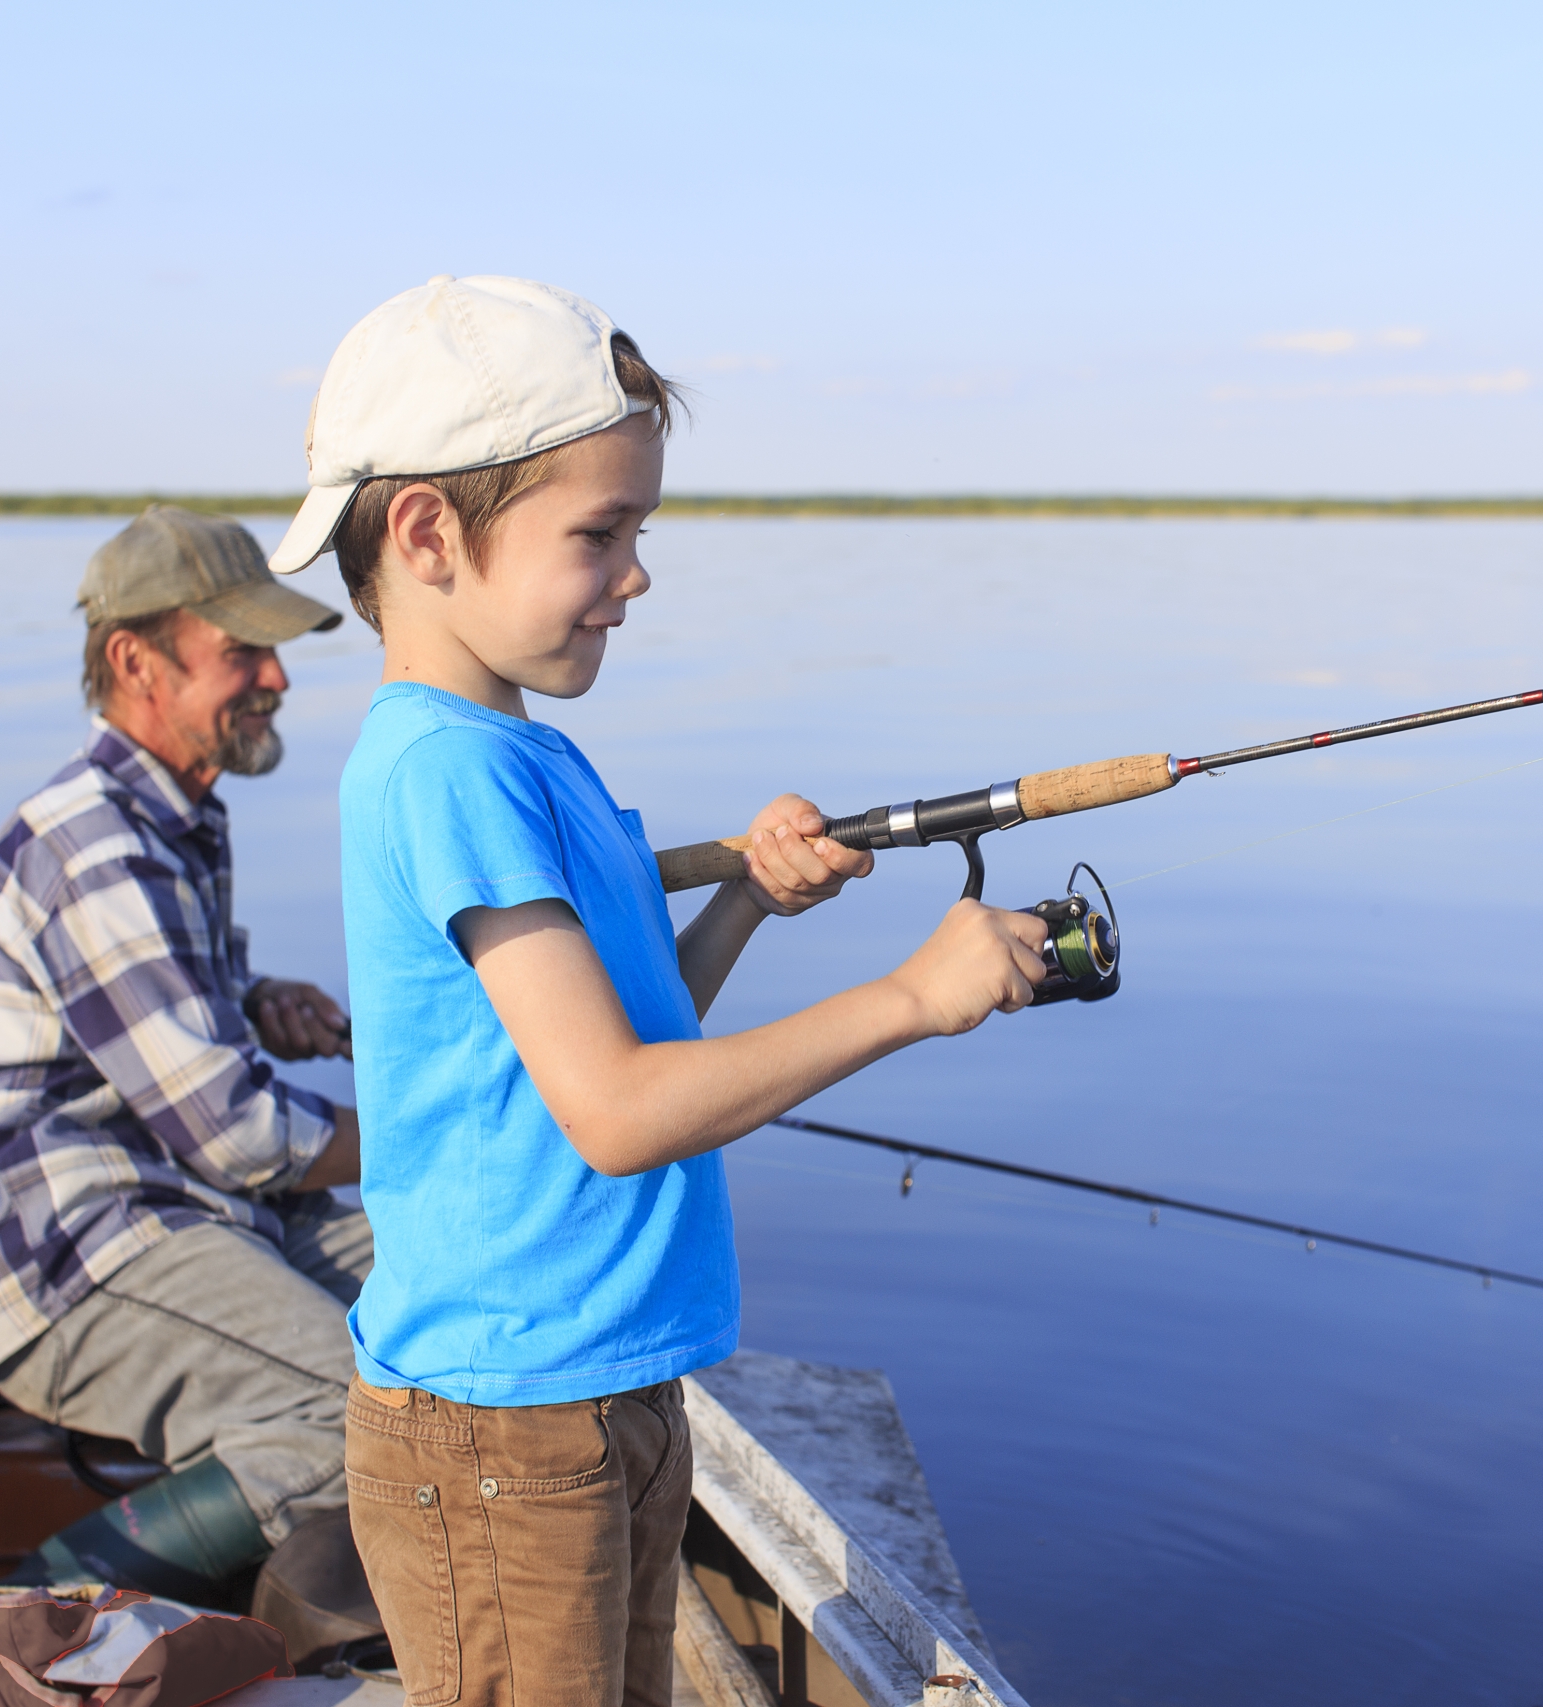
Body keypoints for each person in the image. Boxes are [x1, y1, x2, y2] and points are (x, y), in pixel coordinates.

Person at [265, 275, 1051, 1707]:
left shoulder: (525, 753)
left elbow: (632, 1041)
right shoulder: (445, 770)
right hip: (505, 1425)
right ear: (431, 532)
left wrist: (747, 891)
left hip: (604, 1384)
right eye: (600, 533)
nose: (635, 572)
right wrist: (910, 996)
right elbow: (622, 1112)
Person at [0, 505, 368, 1599]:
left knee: (467, 1310)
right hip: (71, 1252)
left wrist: (253, 1001)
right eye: (242, 651)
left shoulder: (168, 819)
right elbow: (240, 1130)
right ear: (136, 661)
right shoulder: (97, 843)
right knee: (367, 1421)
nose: (278, 677)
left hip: (184, 1204)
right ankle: (21, 1613)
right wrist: (444, 1133)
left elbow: (140, 1017)